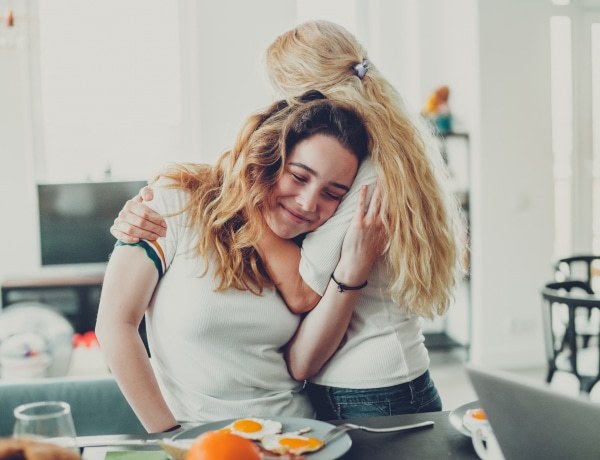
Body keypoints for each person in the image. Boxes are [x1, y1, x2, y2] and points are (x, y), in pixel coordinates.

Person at [111, 20, 465, 420]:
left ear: (307, 94)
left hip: (369, 387)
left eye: (284, 96)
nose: (281, 112)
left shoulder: (365, 172)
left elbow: (301, 293)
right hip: (367, 379)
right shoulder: (382, 153)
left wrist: (237, 187)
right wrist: (177, 195)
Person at [95, 94, 383, 433]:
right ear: (267, 158)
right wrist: (167, 436)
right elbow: (115, 326)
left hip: (295, 437)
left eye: (331, 194)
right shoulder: (175, 203)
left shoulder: (312, 252)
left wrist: (354, 267)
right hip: (198, 441)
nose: (308, 203)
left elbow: (304, 364)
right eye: (299, 176)